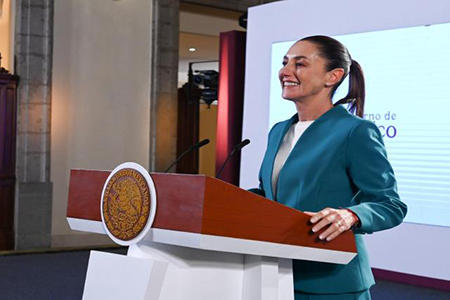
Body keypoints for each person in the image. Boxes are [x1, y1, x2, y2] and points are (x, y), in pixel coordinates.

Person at [249, 35, 408, 299]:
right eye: (285, 62)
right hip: (276, 274)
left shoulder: (355, 131)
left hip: (332, 282)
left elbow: (390, 205)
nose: (285, 72)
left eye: (299, 64)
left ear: (332, 76)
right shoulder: (278, 130)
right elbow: (271, 195)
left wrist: (351, 215)